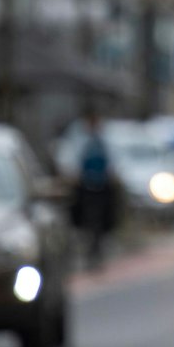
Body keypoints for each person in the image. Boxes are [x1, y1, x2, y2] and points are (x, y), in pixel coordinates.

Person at [71, 107, 117, 266]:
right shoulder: (80, 141)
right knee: (85, 218)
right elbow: (74, 162)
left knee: (101, 217)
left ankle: (98, 248)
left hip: (101, 186)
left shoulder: (105, 141)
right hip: (86, 186)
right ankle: (89, 248)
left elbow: (112, 163)